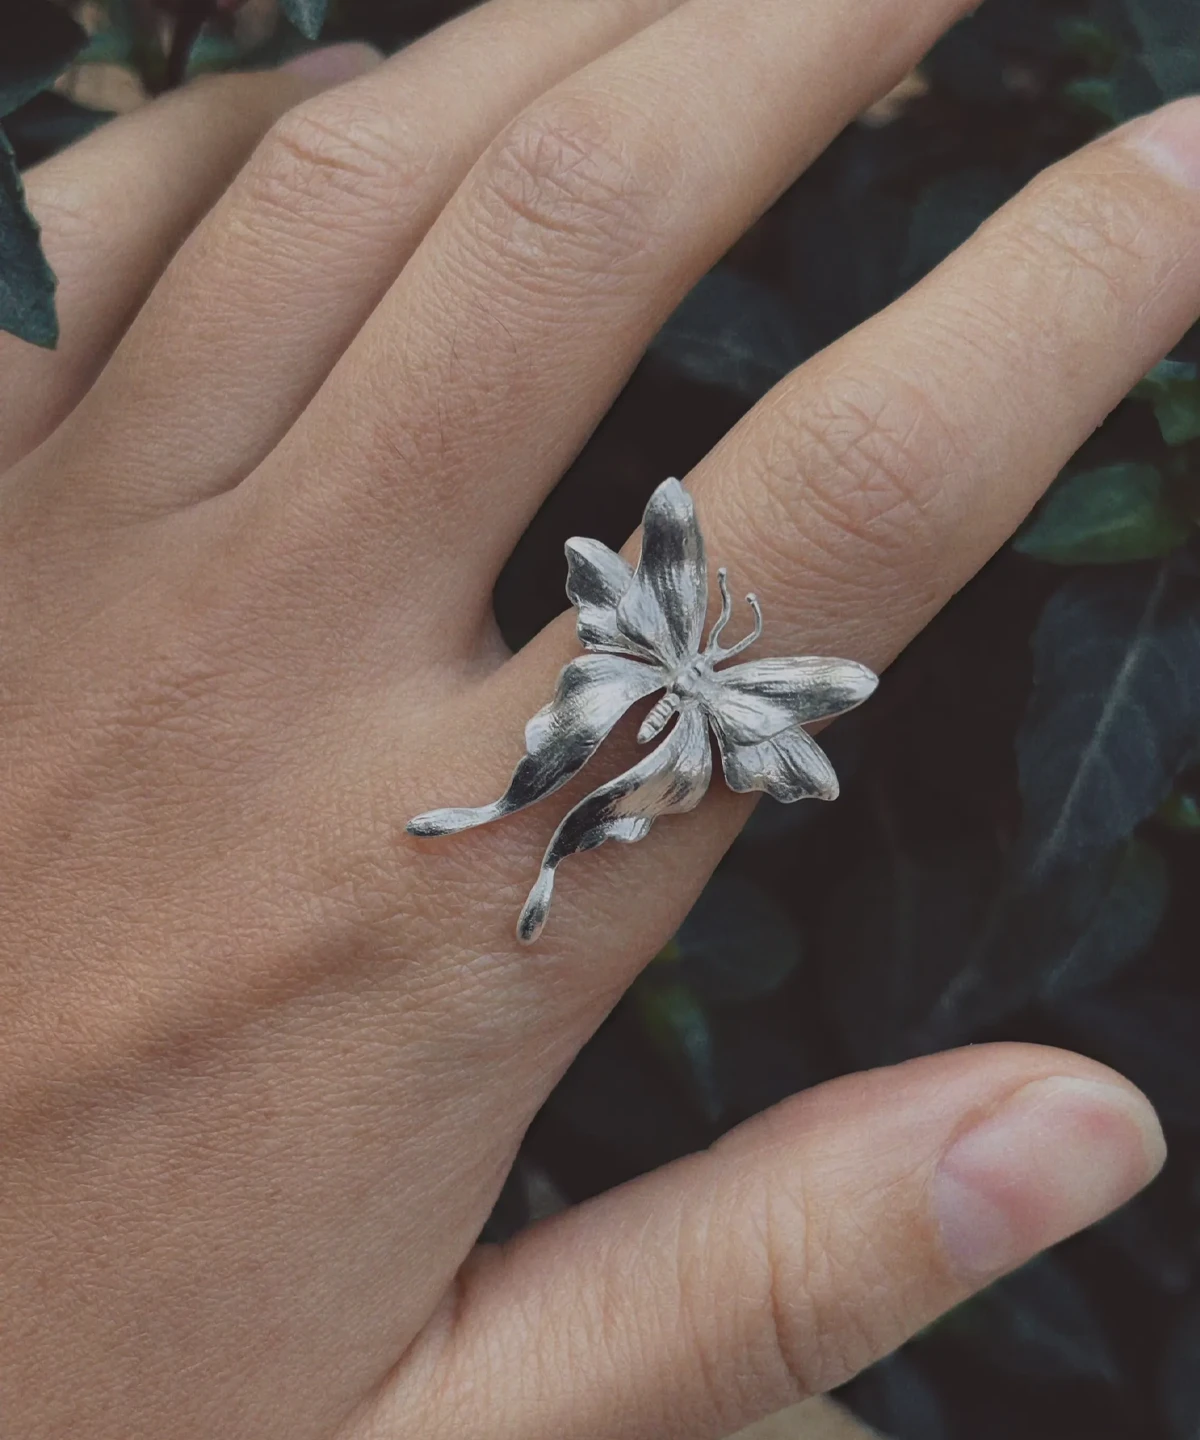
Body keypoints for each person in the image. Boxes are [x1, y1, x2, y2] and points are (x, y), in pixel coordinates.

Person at [1, 2, 1196, 1436]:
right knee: (580, 782)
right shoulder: (671, 654)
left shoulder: (711, 691)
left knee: (583, 790)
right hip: (652, 693)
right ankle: (525, 835)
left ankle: (529, 836)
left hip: (666, 705)